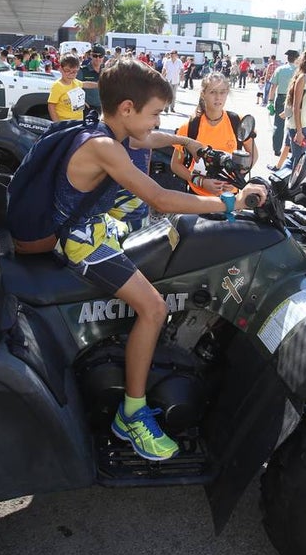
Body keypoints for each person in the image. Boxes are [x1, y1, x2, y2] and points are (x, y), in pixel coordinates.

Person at [53, 57, 265, 460]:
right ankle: (131, 413)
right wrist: (230, 202)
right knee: (153, 308)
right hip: (85, 242)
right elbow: (160, 197)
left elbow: (153, 140)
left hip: (103, 230)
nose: (157, 122)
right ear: (128, 109)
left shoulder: (111, 131)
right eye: (154, 114)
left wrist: (187, 143)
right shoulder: (103, 148)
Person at [171, 74, 257, 195]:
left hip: (230, 199)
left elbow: (253, 154)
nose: (218, 97)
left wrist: (236, 179)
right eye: (213, 92)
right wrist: (201, 182)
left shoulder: (238, 122)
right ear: (203, 94)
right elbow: (176, 165)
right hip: (197, 198)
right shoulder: (189, 127)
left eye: (223, 92)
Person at [267, 49, 299, 164]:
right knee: (293, 124)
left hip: (281, 98)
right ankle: (289, 147)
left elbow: (273, 87)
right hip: (295, 98)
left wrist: (270, 101)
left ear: (287, 58)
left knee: (278, 124)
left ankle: (277, 149)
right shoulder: (299, 71)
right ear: (297, 58)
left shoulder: (279, 69)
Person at [48, 54, 85, 121]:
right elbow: (51, 106)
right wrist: (57, 124)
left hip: (79, 122)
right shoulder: (57, 86)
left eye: (74, 71)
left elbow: (85, 84)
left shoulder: (75, 82)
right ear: (60, 69)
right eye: (67, 70)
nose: (70, 74)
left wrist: (99, 84)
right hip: (65, 124)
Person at [78, 44, 105, 113]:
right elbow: (74, 87)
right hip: (87, 108)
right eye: (95, 56)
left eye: (100, 56)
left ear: (103, 57)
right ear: (90, 56)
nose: (98, 58)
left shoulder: (106, 71)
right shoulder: (82, 70)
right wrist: (81, 102)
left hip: (103, 109)